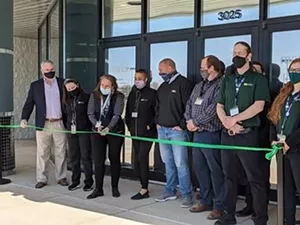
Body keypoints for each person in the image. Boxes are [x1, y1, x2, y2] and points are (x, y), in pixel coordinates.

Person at [215, 41, 270, 225]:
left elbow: (259, 106)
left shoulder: (258, 79)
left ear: (249, 56)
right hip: (228, 134)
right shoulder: (227, 79)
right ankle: (228, 217)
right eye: (234, 52)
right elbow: (219, 105)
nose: (236, 55)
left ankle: (260, 219)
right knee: (229, 177)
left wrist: (235, 119)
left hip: (247, 135)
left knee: (255, 179)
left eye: (240, 52)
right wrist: (227, 122)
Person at [185, 55, 225, 220]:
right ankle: (206, 200)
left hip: (211, 134)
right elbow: (189, 103)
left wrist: (196, 121)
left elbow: (214, 108)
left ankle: (219, 205)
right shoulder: (199, 85)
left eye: (203, 66)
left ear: (212, 68)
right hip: (197, 133)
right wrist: (189, 121)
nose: (201, 70)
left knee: (215, 170)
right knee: (200, 168)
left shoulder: (221, 85)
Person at [20, 60, 68, 189]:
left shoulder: (62, 83)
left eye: (52, 69)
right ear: (42, 71)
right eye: (47, 70)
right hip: (43, 124)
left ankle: (61, 177)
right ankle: (42, 178)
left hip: (59, 123)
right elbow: (29, 103)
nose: (50, 72)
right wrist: (24, 118)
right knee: (42, 153)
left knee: (61, 152)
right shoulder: (35, 86)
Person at [154, 58, 193, 208]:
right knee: (168, 163)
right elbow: (157, 106)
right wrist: (157, 122)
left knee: (181, 164)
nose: (160, 73)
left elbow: (188, 107)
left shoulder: (184, 84)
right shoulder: (162, 86)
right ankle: (170, 191)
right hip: (162, 130)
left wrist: (182, 126)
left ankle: (186, 194)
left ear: (170, 68)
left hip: (177, 131)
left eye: (161, 69)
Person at [268, 58, 300, 225]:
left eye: (298, 70)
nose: (294, 73)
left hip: (296, 149)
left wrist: (290, 142)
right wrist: (274, 139)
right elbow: (274, 118)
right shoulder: (284, 93)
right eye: (292, 70)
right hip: (282, 149)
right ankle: (288, 221)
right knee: (286, 189)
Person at [87, 74, 125, 199]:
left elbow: (117, 115)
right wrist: (97, 126)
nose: (104, 87)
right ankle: (98, 189)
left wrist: (108, 128)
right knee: (98, 160)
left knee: (114, 159)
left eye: (107, 86)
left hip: (114, 131)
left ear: (113, 86)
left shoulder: (119, 96)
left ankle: (115, 187)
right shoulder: (94, 95)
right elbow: (90, 113)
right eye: (102, 85)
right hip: (97, 131)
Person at [125, 69, 157, 200]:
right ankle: (141, 182)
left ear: (146, 80)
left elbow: (156, 112)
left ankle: (144, 189)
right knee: (137, 159)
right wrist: (130, 126)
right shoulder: (133, 94)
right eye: (135, 78)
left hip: (147, 133)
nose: (137, 80)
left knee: (143, 158)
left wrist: (150, 125)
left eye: (140, 78)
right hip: (135, 132)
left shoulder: (152, 94)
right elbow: (128, 112)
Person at [62, 78, 93, 192]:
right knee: (73, 157)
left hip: (84, 131)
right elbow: (65, 115)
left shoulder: (86, 97)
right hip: (72, 132)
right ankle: (75, 181)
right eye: (69, 89)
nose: (71, 90)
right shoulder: (66, 100)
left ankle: (88, 182)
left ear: (77, 85)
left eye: (73, 87)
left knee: (85, 157)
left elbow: (90, 113)